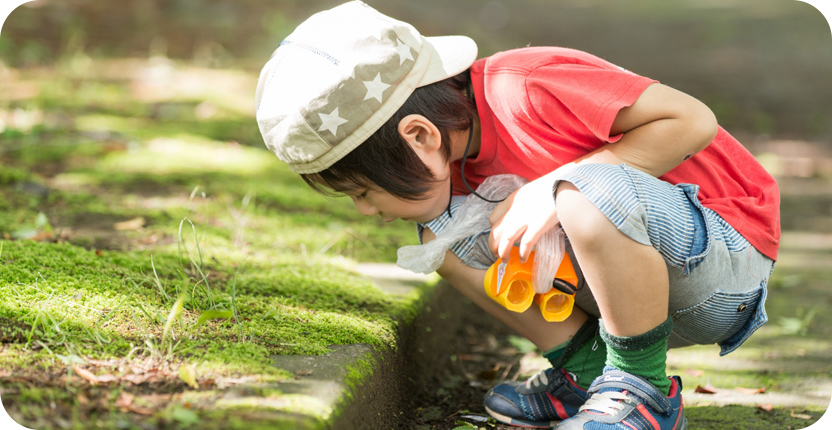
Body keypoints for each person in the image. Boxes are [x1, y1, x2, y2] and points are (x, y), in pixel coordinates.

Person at [253, 2, 780, 429]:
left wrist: (553, 186)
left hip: (722, 260)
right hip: (637, 282)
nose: (367, 210)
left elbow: (692, 119)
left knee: (579, 193)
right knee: (443, 239)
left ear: (420, 137)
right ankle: (591, 374)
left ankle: (643, 393)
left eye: (363, 191)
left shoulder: (525, 86)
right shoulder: (455, 159)